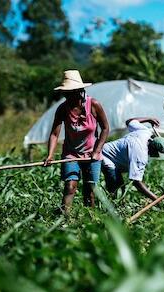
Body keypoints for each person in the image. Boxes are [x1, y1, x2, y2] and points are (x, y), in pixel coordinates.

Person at [44, 70, 109, 214]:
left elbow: (105, 128)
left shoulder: (94, 105)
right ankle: (64, 219)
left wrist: (97, 151)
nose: (66, 95)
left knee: (90, 190)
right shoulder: (62, 109)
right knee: (70, 187)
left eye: (69, 92)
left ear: (79, 91)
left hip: (92, 154)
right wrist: (50, 155)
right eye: (65, 92)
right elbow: (55, 134)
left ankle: (88, 221)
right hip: (71, 153)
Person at [101, 117, 164, 200]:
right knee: (116, 190)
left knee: (120, 190)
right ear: (152, 148)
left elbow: (129, 121)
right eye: (157, 154)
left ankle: (117, 206)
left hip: (113, 156)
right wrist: (157, 199)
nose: (156, 156)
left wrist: (148, 119)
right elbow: (136, 181)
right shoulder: (140, 154)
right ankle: (109, 208)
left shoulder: (146, 132)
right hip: (107, 157)